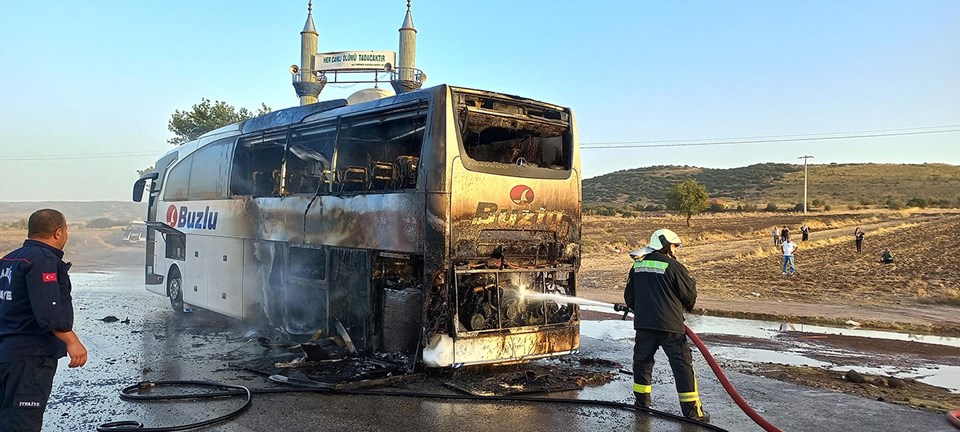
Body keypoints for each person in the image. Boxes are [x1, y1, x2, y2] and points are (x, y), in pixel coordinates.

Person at [0, 209, 88, 431]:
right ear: (58, 232)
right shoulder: (44, 260)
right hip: (30, 357)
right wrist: (72, 341)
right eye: (66, 230)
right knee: (21, 422)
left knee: (6, 417)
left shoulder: (10, 259)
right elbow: (48, 310)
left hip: (6, 353)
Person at [624, 229, 709, 422]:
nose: (676, 250)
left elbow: (629, 297)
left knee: (642, 363)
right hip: (671, 327)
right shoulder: (674, 266)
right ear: (665, 244)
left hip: (644, 326)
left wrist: (642, 310)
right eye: (674, 245)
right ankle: (693, 413)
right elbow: (689, 296)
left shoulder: (637, 266)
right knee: (682, 366)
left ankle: (641, 404)